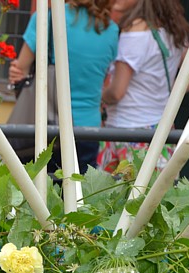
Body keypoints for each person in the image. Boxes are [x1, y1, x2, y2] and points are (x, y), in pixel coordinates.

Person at [9, 0, 118, 172]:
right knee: (81, 193)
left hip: (47, 128)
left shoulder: (47, 19)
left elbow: (19, 72)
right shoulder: (111, 30)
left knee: (40, 191)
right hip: (88, 130)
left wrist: (17, 73)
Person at [97, 0, 189, 174]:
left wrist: (99, 97)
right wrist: (161, 96)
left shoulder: (135, 32)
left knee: (108, 197)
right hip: (161, 130)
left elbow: (117, 92)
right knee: (154, 197)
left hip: (125, 130)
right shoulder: (174, 29)